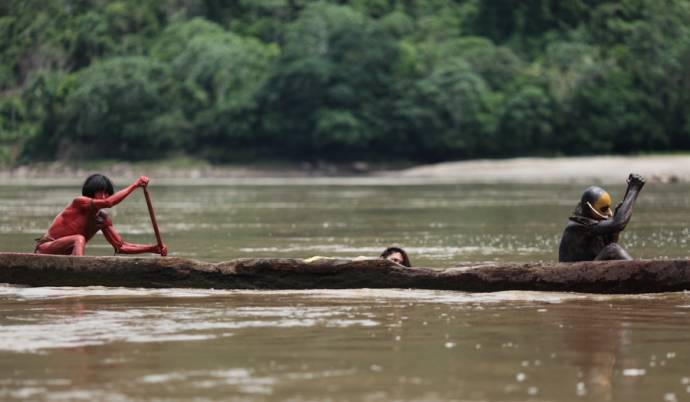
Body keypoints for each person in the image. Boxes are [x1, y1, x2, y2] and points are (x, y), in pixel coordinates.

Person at [35, 174, 167, 256]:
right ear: (90, 193)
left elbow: (121, 247)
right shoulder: (79, 202)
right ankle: (79, 276)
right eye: (99, 192)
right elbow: (108, 202)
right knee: (78, 239)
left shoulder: (101, 219)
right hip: (46, 249)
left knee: (78, 240)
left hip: (67, 258)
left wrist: (153, 248)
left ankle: (77, 271)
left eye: (106, 193)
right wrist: (135, 185)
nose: (104, 196)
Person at [558, 173, 645, 262]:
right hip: (576, 272)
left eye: (608, 208)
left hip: (589, 268)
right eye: (604, 209)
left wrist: (628, 192)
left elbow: (612, 238)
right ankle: (642, 270)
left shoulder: (595, 224)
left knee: (612, 247)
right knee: (612, 250)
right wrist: (633, 190)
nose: (609, 214)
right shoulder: (578, 226)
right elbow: (618, 224)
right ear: (588, 209)